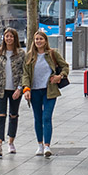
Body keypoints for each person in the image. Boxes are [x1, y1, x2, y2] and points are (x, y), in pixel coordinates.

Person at [22, 30, 69, 158]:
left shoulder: (52, 54)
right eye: (36, 39)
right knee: (38, 118)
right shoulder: (29, 56)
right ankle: (40, 144)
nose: (38, 41)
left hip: (50, 91)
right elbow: (25, 74)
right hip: (35, 91)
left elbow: (65, 66)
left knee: (46, 118)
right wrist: (26, 89)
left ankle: (47, 145)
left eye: (41, 39)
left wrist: (60, 76)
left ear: (45, 41)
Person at [0, 28, 25, 158]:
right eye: (6, 36)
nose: (8, 39)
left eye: (11, 36)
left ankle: (11, 141)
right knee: (1, 116)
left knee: (13, 115)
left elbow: (25, 72)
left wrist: (20, 88)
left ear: (15, 38)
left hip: (15, 90)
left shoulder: (21, 54)